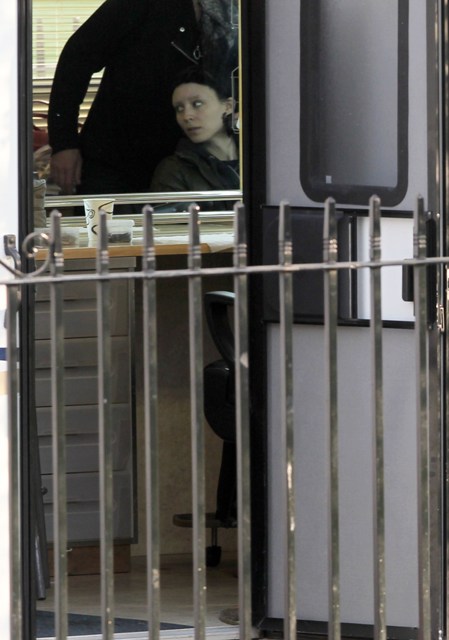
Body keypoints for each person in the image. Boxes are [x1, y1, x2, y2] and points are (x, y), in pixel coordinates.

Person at [48, 0, 238, 196]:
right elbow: (76, 59)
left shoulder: (237, 14)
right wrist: (64, 143)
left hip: (189, 165)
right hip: (113, 160)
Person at [150, 66, 239, 211]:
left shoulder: (260, 158)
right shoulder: (174, 170)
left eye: (197, 104)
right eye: (179, 108)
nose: (186, 116)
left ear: (228, 106)